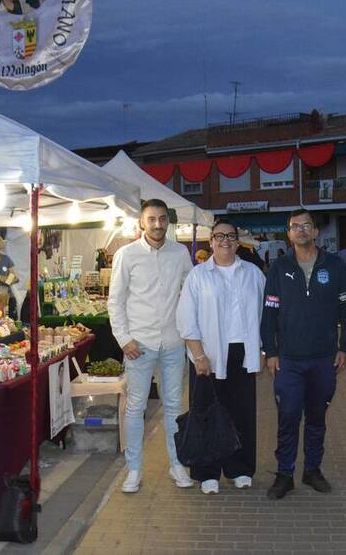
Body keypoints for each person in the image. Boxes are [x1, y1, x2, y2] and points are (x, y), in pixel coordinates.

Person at [261, 209, 346, 500]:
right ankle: (285, 474)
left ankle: (312, 470)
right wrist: (270, 351)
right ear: (289, 234)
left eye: (306, 225)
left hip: (324, 359)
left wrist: (344, 347)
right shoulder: (278, 268)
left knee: (316, 417)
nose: (301, 230)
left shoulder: (335, 265)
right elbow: (269, 313)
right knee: (287, 418)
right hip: (288, 359)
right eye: (294, 226)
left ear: (315, 231)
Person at [107, 199, 194, 494]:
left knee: (174, 406)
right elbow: (115, 301)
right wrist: (124, 338)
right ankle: (134, 469)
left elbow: (191, 293)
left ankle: (177, 463)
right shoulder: (126, 255)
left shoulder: (180, 252)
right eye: (152, 219)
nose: (157, 224)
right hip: (138, 344)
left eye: (162, 219)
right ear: (142, 222)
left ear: (167, 221)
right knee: (135, 408)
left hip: (172, 341)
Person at [177, 220, 266, 494]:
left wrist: (262, 350)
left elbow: (267, 315)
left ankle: (240, 468)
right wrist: (198, 354)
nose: (225, 240)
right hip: (209, 353)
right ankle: (207, 472)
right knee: (206, 412)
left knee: (241, 413)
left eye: (230, 236)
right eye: (219, 236)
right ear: (211, 241)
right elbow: (185, 318)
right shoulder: (198, 275)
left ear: (237, 241)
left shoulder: (253, 273)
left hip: (243, 352)